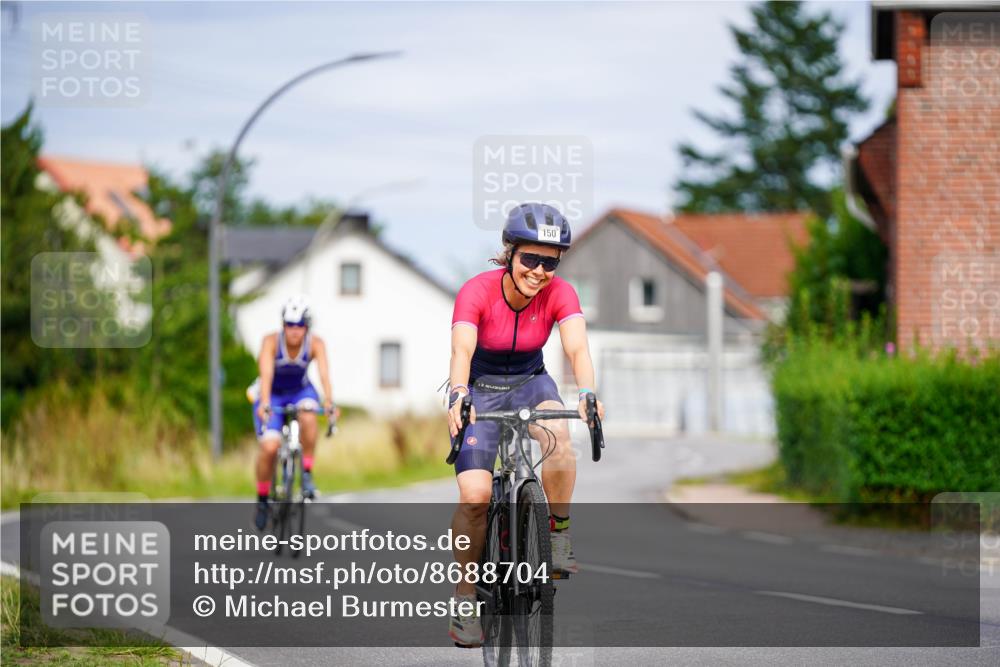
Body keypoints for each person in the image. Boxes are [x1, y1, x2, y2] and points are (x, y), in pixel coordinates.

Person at [445, 202, 605, 646]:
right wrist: (458, 394)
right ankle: (464, 601)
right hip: (479, 388)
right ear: (510, 253)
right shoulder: (476, 291)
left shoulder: (561, 294)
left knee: (560, 438)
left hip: (532, 382)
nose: (539, 271)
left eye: (550, 262)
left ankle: (557, 535)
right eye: (530, 259)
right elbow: (461, 351)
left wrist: (588, 393)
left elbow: (577, 348)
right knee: (475, 496)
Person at [251, 295, 336, 531]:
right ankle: (262, 500)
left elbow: (325, 376)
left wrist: (329, 403)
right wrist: (265, 403)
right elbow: (266, 375)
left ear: (306, 327)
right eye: (290, 325)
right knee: (269, 448)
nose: (295, 331)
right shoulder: (270, 342)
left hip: (300, 391)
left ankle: (306, 473)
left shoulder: (315, 344)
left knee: (309, 415)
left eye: (300, 326)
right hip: (273, 394)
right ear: (283, 326)